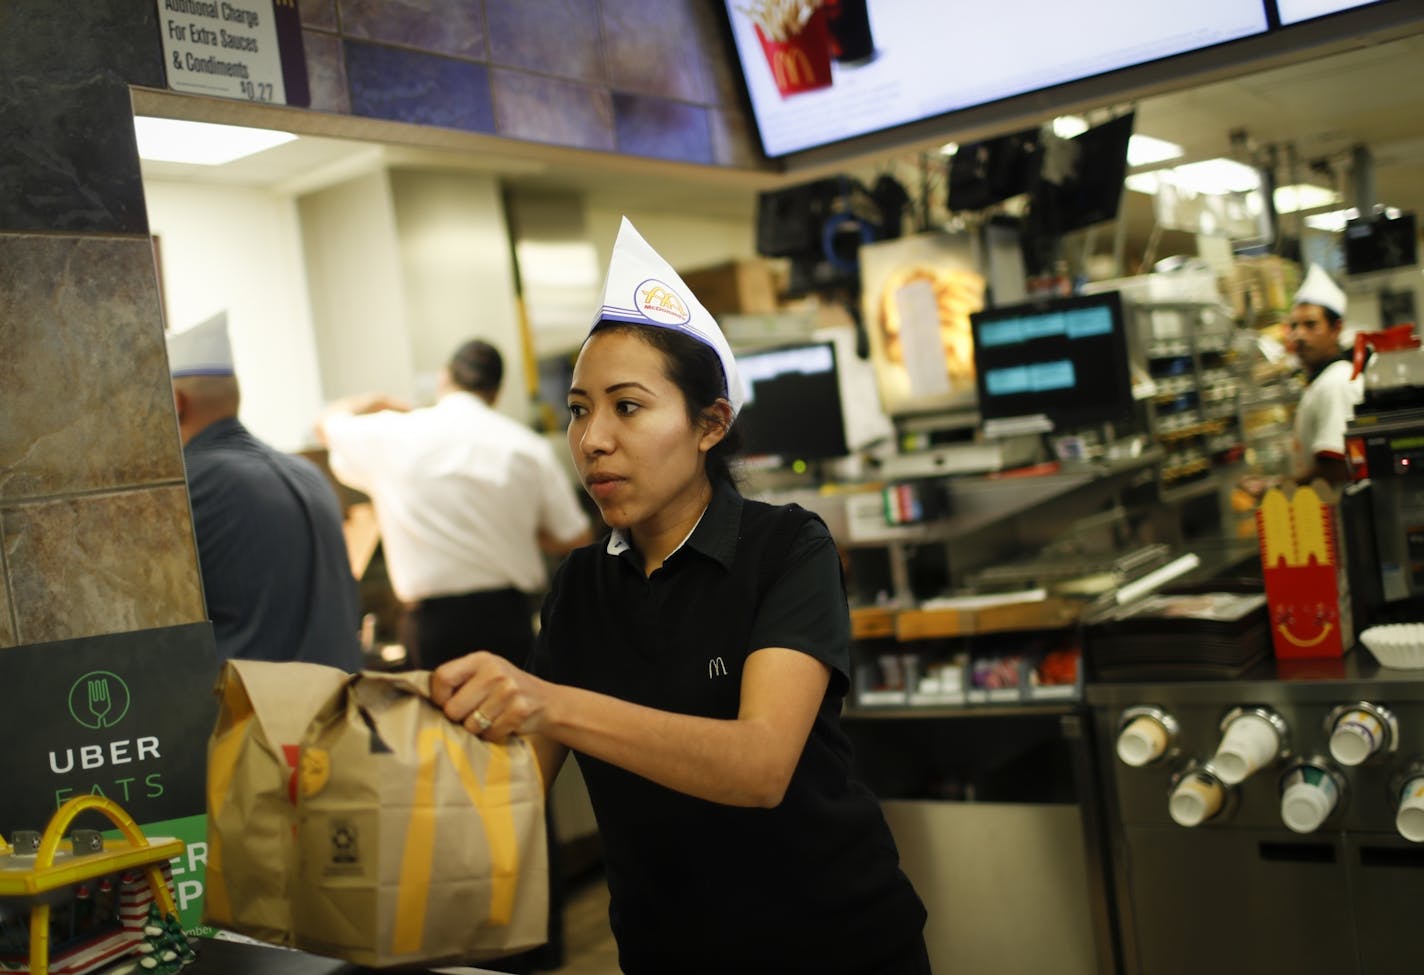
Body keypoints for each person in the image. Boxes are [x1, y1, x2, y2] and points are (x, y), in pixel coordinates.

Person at [431, 219, 930, 975]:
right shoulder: (581, 586)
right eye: (577, 409)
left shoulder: (787, 548)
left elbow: (759, 766)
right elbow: (515, 789)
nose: (593, 438)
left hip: (832, 945)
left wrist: (549, 701)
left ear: (710, 423)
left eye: (626, 407)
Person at [318, 340, 593, 672]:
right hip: (508, 620)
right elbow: (576, 539)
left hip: (433, 625)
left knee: (438, 722)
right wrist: (520, 531)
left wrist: (378, 401)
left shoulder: (394, 434)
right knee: (512, 718)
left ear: (443, 378)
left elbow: (324, 425)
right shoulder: (526, 447)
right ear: (496, 392)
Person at [168, 313, 362, 670]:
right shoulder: (308, 474)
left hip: (254, 719)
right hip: (335, 710)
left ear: (177, 404)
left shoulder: (188, 485)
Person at [1284, 264, 1362, 487]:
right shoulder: (1322, 380)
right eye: (1294, 326)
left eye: (1311, 325)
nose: (1299, 335)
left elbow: (1335, 468)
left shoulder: (1335, 383)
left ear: (1336, 328)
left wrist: (1281, 485)